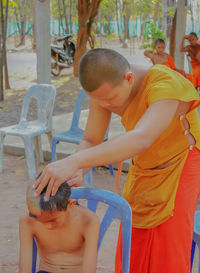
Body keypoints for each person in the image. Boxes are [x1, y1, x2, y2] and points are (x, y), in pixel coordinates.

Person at [34, 48, 200, 273]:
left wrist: (76, 161)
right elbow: (92, 139)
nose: (107, 106)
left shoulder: (165, 84)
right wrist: (80, 168)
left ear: (128, 78)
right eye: (100, 101)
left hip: (180, 164)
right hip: (144, 166)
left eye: (110, 99)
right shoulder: (103, 96)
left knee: (168, 249)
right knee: (133, 240)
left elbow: (141, 137)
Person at [19, 179, 100, 273]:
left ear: (70, 204)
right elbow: (25, 268)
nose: (47, 226)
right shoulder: (28, 220)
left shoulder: (88, 221)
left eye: (53, 221)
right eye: (37, 219)